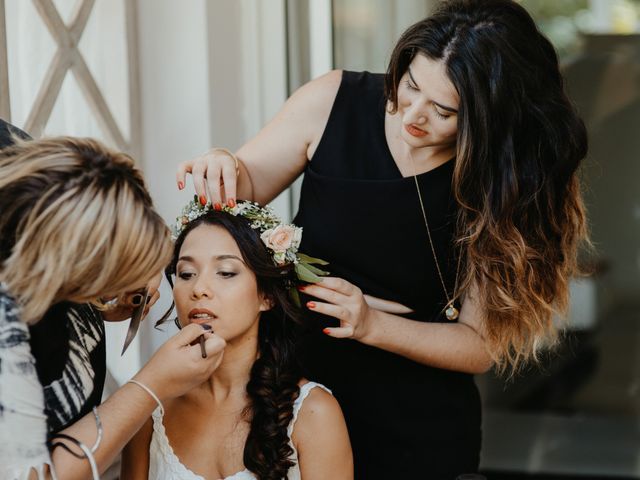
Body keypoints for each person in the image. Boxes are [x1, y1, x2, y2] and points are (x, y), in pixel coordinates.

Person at [177, 0, 589, 477]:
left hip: (414, 426)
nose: (412, 114)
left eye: (443, 109)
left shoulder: (503, 183)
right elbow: (238, 192)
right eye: (410, 85)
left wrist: (372, 324)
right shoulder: (334, 100)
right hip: (293, 397)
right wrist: (222, 164)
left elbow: (479, 346)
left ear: (489, 120)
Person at [0, 136, 226, 480]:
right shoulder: (8, 329)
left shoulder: (24, 165)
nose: (200, 290)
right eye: (186, 273)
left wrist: (131, 256)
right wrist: (150, 385)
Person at [120, 199, 353, 480]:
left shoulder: (313, 413)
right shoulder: (149, 408)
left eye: (226, 272)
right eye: (186, 274)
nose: (199, 289)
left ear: (266, 296)